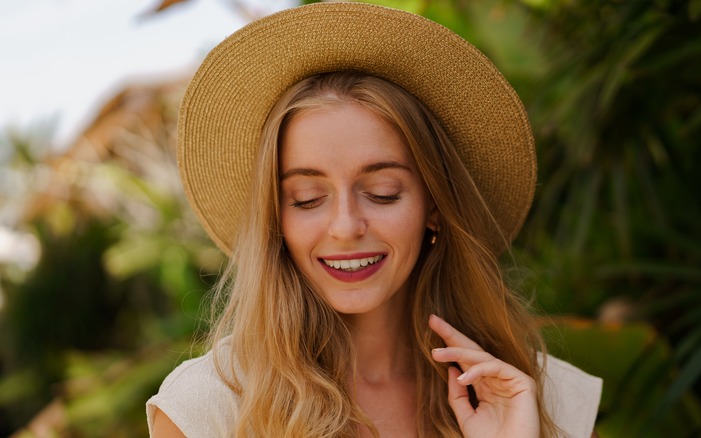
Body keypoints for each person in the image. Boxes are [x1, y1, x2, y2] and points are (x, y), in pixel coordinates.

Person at [146, 3, 601, 437]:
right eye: (306, 198)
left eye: (383, 193)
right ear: (275, 220)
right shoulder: (208, 410)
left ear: (435, 207)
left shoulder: (539, 397)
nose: (345, 226)